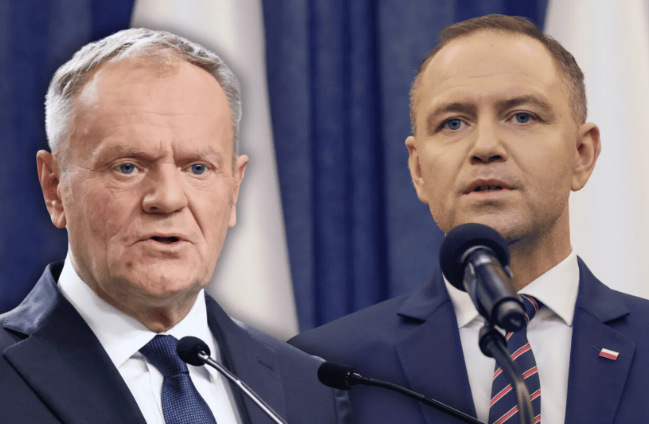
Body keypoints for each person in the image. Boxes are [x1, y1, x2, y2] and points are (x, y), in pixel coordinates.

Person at [290, 14, 649, 424]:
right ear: (419, 170)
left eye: (522, 116)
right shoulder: (322, 367)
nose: (486, 146)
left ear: (582, 155)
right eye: (453, 123)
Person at [0, 28, 351, 424]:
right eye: (127, 167)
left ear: (234, 190)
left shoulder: (311, 388)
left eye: (198, 168)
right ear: (54, 188)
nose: (167, 199)